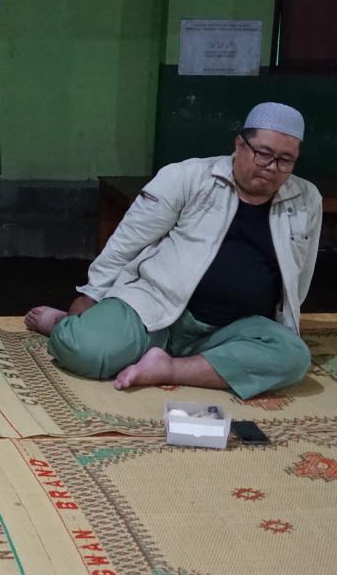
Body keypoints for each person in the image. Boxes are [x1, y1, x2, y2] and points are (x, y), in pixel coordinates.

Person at [25, 102, 321, 398]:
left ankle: (169, 368)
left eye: (285, 160)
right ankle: (63, 323)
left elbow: (300, 276)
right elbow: (128, 241)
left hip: (235, 329)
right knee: (84, 349)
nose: (272, 168)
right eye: (264, 154)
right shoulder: (188, 177)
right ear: (240, 144)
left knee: (293, 358)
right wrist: (91, 297)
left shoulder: (306, 199)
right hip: (155, 308)